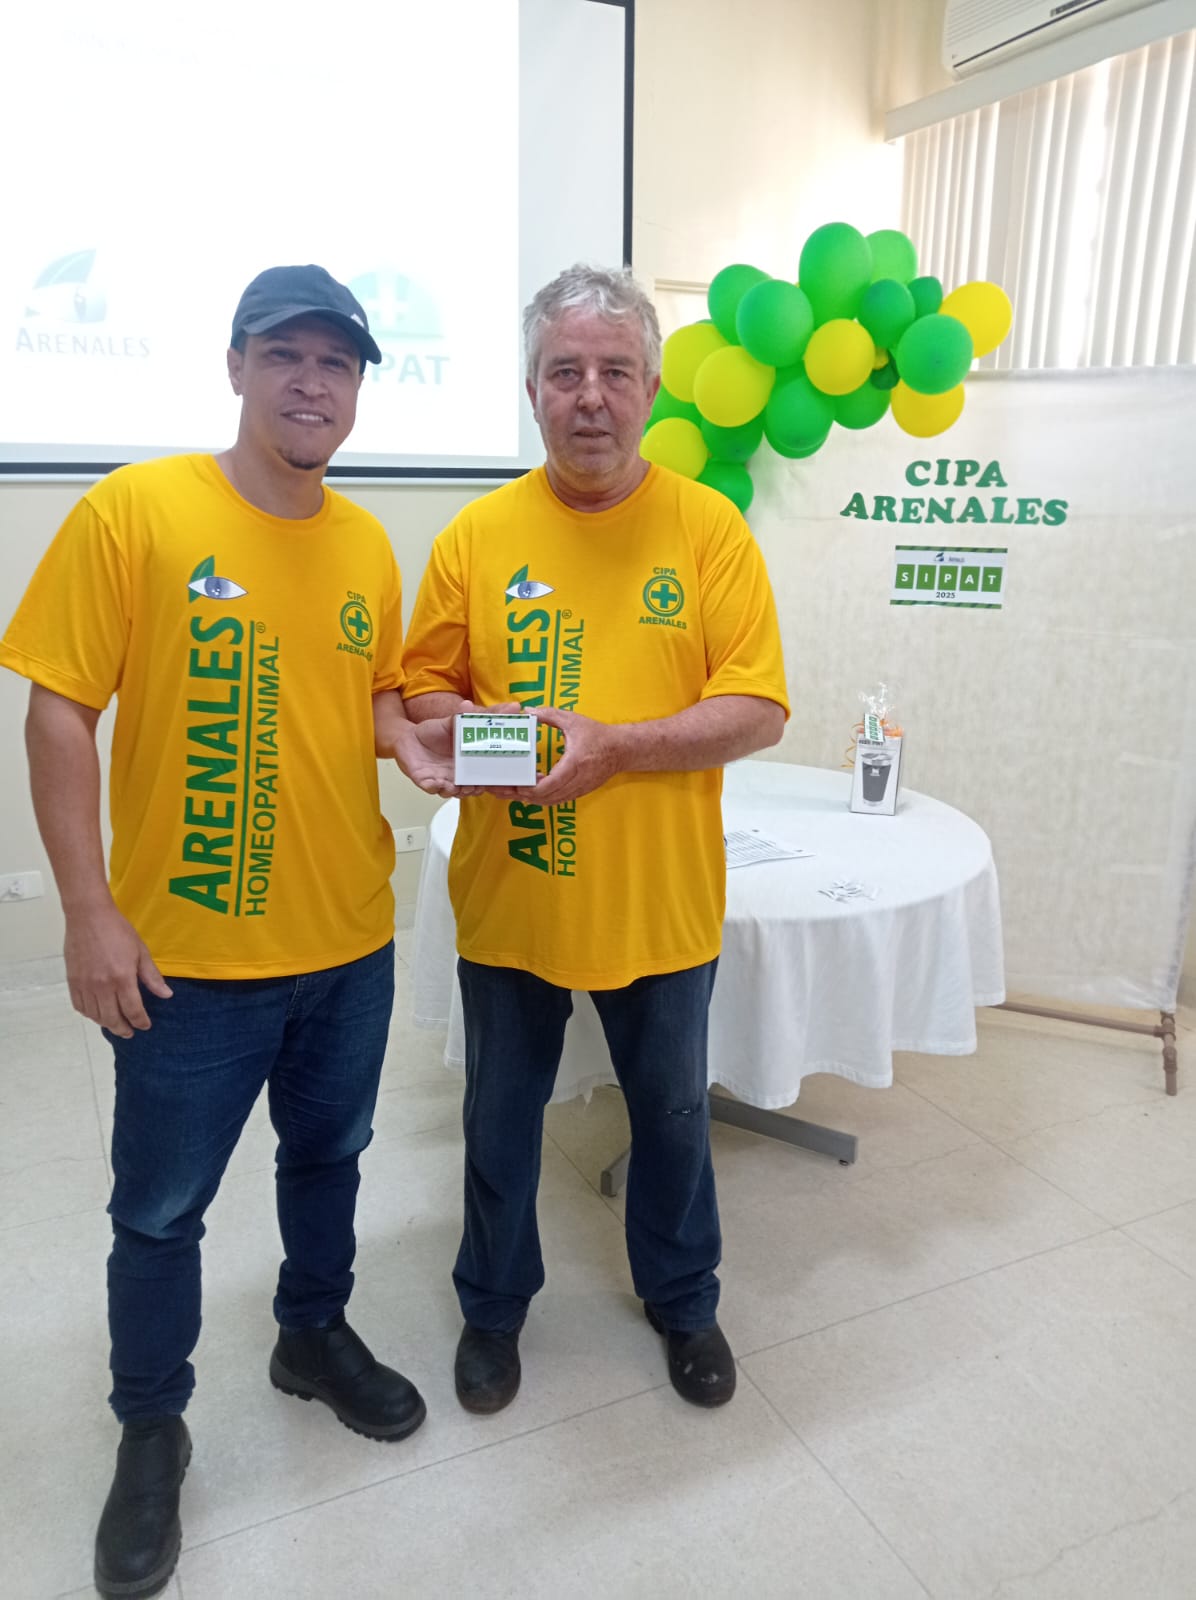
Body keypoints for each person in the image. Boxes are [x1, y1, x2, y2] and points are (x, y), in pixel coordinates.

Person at [0, 264, 463, 1600]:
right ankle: (152, 1427)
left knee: (330, 1161)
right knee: (158, 1215)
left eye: (338, 363)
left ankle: (309, 1335)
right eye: (286, 355)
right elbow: (58, 710)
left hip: (347, 943)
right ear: (236, 366)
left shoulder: (365, 545)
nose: (313, 384)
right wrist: (89, 912)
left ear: (358, 388)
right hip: (187, 966)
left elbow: (361, 695)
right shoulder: (136, 511)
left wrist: (409, 736)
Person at [401, 264, 790, 1416]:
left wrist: (615, 746)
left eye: (615, 371)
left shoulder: (708, 530)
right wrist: (487, 731)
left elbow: (757, 708)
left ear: (651, 390)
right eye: (564, 371)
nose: (589, 395)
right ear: (530, 389)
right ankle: (491, 1308)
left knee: (670, 1117)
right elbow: (421, 693)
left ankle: (683, 1300)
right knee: (497, 1120)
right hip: (512, 899)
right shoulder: (477, 535)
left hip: (659, 904)